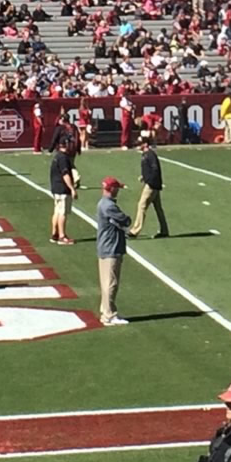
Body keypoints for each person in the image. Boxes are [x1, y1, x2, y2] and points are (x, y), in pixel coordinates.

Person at [95, 176, 131, 326]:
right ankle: (109, 315)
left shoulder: (102, 203)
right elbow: (125, 220)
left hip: (104, 246)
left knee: (105, 282)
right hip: (111, 247)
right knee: (111, 282)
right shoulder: (109, 206)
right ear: (112, 189)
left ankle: (106, 310)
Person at [134, 133, 170, 238]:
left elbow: (155, 169)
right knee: (158, 208)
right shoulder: (146, 154)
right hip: (153, 184)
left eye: (140, 144)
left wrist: (149, 181)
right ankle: (164, 230)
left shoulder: (150, 155)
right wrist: (143, 176)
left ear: (145, 144)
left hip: (151, 185)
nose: (138, 145)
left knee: (141, 205)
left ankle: (135, 230)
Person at [48, 137, 76, 246]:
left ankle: (54, 234)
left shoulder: (57, 156)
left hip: (56, 188)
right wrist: (72, 188)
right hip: (62, 188)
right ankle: (62, 236)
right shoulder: (63, 158)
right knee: (62, 213)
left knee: (57, 211)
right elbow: (65, 174)